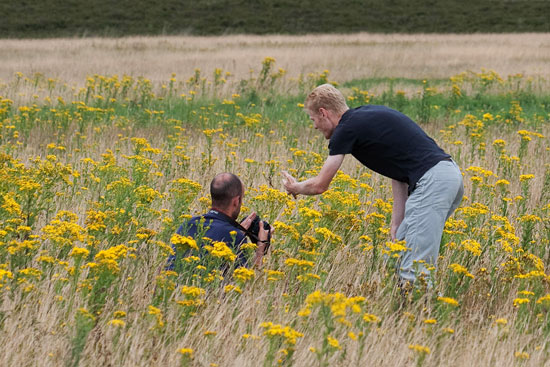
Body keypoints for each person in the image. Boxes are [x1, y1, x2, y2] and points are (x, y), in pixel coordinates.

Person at [282, 84, 463, 284]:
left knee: (415, 268)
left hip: (433, 182)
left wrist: (295, 187)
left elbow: (320, 185)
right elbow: (398, 169)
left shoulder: (345, 129)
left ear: (323, 113)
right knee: (397, 255)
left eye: (313, 119)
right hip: (447, 175)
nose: (315, 126)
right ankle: (410, 309)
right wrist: (397, 222)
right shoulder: (365, 114)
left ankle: (420, 312)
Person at [169, 172, 271, 271]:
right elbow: (246, 285)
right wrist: (260, 250)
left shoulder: (187, 224)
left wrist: (236, 232)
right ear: (236, 201)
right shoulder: (237, 238)